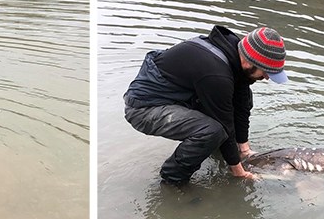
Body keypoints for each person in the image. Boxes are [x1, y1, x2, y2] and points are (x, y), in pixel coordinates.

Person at [123, 25, 289, 186]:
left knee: (242, 100)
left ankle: (216, 150)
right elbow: (225, 125)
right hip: (144, 108)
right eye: (266, 72)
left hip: (179, 97)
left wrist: (244, 150)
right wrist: (239, 171)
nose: (267, 77)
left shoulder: (235, 55)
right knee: (213, 131)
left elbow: (241, 105)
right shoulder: (217, 75)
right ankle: (172, 181)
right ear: (248, 63)